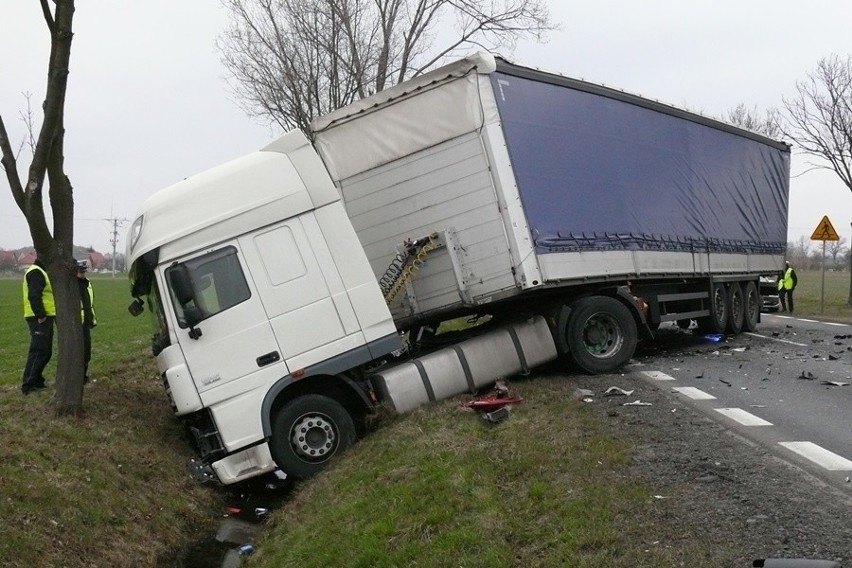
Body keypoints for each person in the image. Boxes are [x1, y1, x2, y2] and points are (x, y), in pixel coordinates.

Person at [22, 257, 55, 394]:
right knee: (39, 350)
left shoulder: (41, 271)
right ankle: (29, 384)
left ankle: (37, 379)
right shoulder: (36, 272)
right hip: (39, 318)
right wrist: (40, 315)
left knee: (45, 351)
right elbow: (34, 295)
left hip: (44, 316)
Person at [76, 260, 96, 382]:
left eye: (84, 271)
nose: (82, 274)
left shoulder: (87, 283)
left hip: (86, 320)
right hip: (77, 322)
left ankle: (83, 375)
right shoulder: (73, 285)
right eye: (80, 271)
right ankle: (79, 377)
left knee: (86, 351)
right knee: (79, 352)